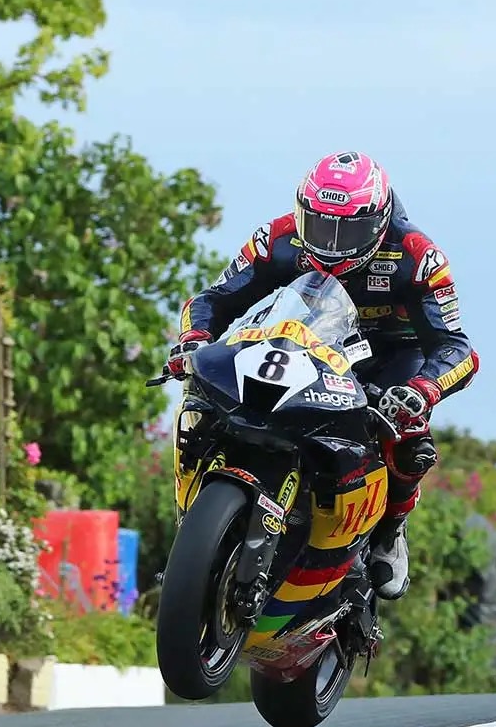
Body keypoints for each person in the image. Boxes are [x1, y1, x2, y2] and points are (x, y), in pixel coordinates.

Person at [163, 150, 479, 600]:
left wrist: (421, 389)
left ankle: (390, 529)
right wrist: (195, 338)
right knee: (206, 392)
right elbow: (214, 298)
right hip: (304, 336)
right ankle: (197, 509)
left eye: (346, 230)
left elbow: (456, 347)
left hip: (390, 356)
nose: (330, 242)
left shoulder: (418, 256)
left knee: (408, 435)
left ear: (379, 221)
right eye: (320, 225)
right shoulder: (278, 238)